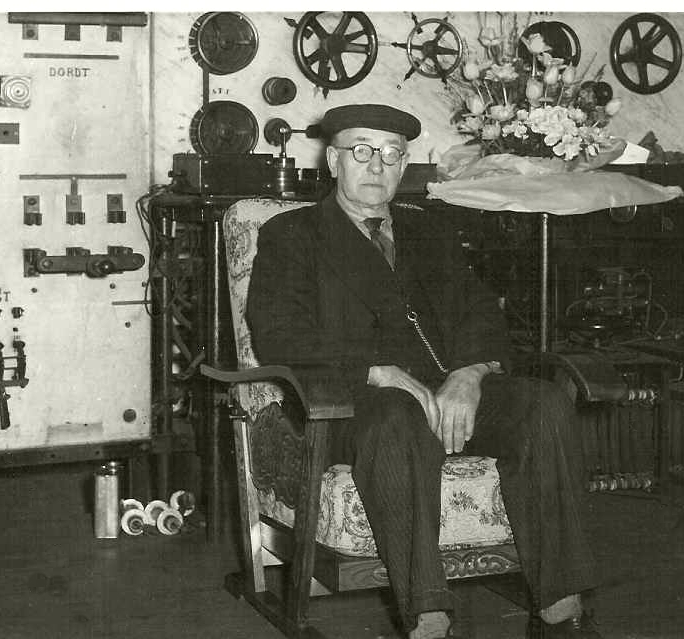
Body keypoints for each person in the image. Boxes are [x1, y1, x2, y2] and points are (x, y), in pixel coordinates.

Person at [247, 104, 601, 639]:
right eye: (361, 151)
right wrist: (378, 371)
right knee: (397, 418)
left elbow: (479, 310)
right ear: (333, 161)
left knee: (542, 404)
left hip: (443, 392)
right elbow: (279, 332)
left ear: (404, 164)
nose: (376, 165)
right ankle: (428, 615)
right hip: (350, 402)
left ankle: (559, 603)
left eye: (391, 154)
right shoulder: (293, 234)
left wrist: (471, 374)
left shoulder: (427, 228)